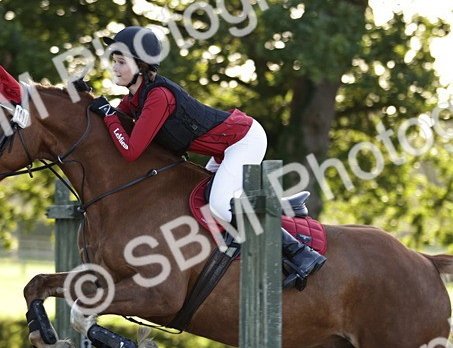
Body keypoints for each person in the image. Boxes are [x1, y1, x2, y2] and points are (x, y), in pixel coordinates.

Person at [87, 25, 326, 290]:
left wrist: (107, 113)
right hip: (225, 148)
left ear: (141, 66)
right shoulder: (136, 97)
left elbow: (130, 150)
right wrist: (86, 99)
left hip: (244, 140)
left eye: (121, 62)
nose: (115, 68)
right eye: (114, 61)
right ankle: (282, 207)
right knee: (206, 197)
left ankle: (300, 253)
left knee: (220, 206)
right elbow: (117, 122)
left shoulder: (158, 97)